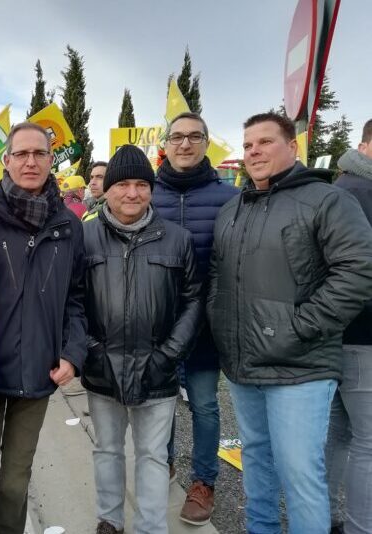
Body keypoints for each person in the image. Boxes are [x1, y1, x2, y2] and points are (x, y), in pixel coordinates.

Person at [208, 112, 372, 534]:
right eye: (247, 146)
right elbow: (217, 275)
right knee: (257, 463)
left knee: (300, 476)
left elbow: (358, 271)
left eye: (265, 142)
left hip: (301, 367)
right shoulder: (233, 209)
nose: (254, 151)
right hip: (244, 365)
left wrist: (301, 327)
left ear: (292, 147)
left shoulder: (328, 201)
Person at [0, 122, 86, 534]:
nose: (31, 162)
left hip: (38, 373)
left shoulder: (69, 226)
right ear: (6, 160)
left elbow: (77, 298)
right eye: (22, 154)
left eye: (40, 154)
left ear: (52, 161)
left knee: (16, 482)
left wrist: (73, 353)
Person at [83, 144, 201, 534]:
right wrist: (90, 351)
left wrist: (168, 355)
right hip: (103, 367)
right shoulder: (83, 238)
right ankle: (109, 520)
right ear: (107, 189)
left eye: (141, 184)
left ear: (151, 189)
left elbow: (193, 300)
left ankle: (150, 528)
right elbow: (71, 302)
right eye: (122, 185)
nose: (131, 193)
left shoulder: (177, 239)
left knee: (153, 455)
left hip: (158, 369)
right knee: (107, 450)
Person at [152, 111, 239, 525]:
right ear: (165, 145)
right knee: (162, 404)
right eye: (177, 137)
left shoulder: (228, 197)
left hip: (205, 326)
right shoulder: (146, 195)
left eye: (194, 136)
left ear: (206, 143)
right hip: (157, 324)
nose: (185, 144)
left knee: (205, 405)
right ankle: (161, 466)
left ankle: (203, 482)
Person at [325, 118, 372, 534]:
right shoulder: (360, 193)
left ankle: (320, 519)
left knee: (339, 433)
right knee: (368, 443)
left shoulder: (338, 188)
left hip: (335, 337)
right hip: (363, 337)